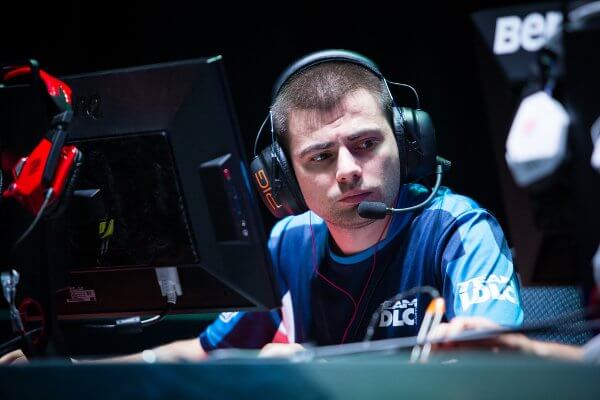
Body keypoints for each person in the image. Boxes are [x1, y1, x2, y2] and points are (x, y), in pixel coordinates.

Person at [1, 50, 523, 363]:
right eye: (320, 156)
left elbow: (496, 359)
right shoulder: (289, 241)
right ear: (283, 180)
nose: (347, 170)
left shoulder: (456, 228)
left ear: (408, 145)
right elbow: (204, 355)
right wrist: (64, 376)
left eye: (366, 144)